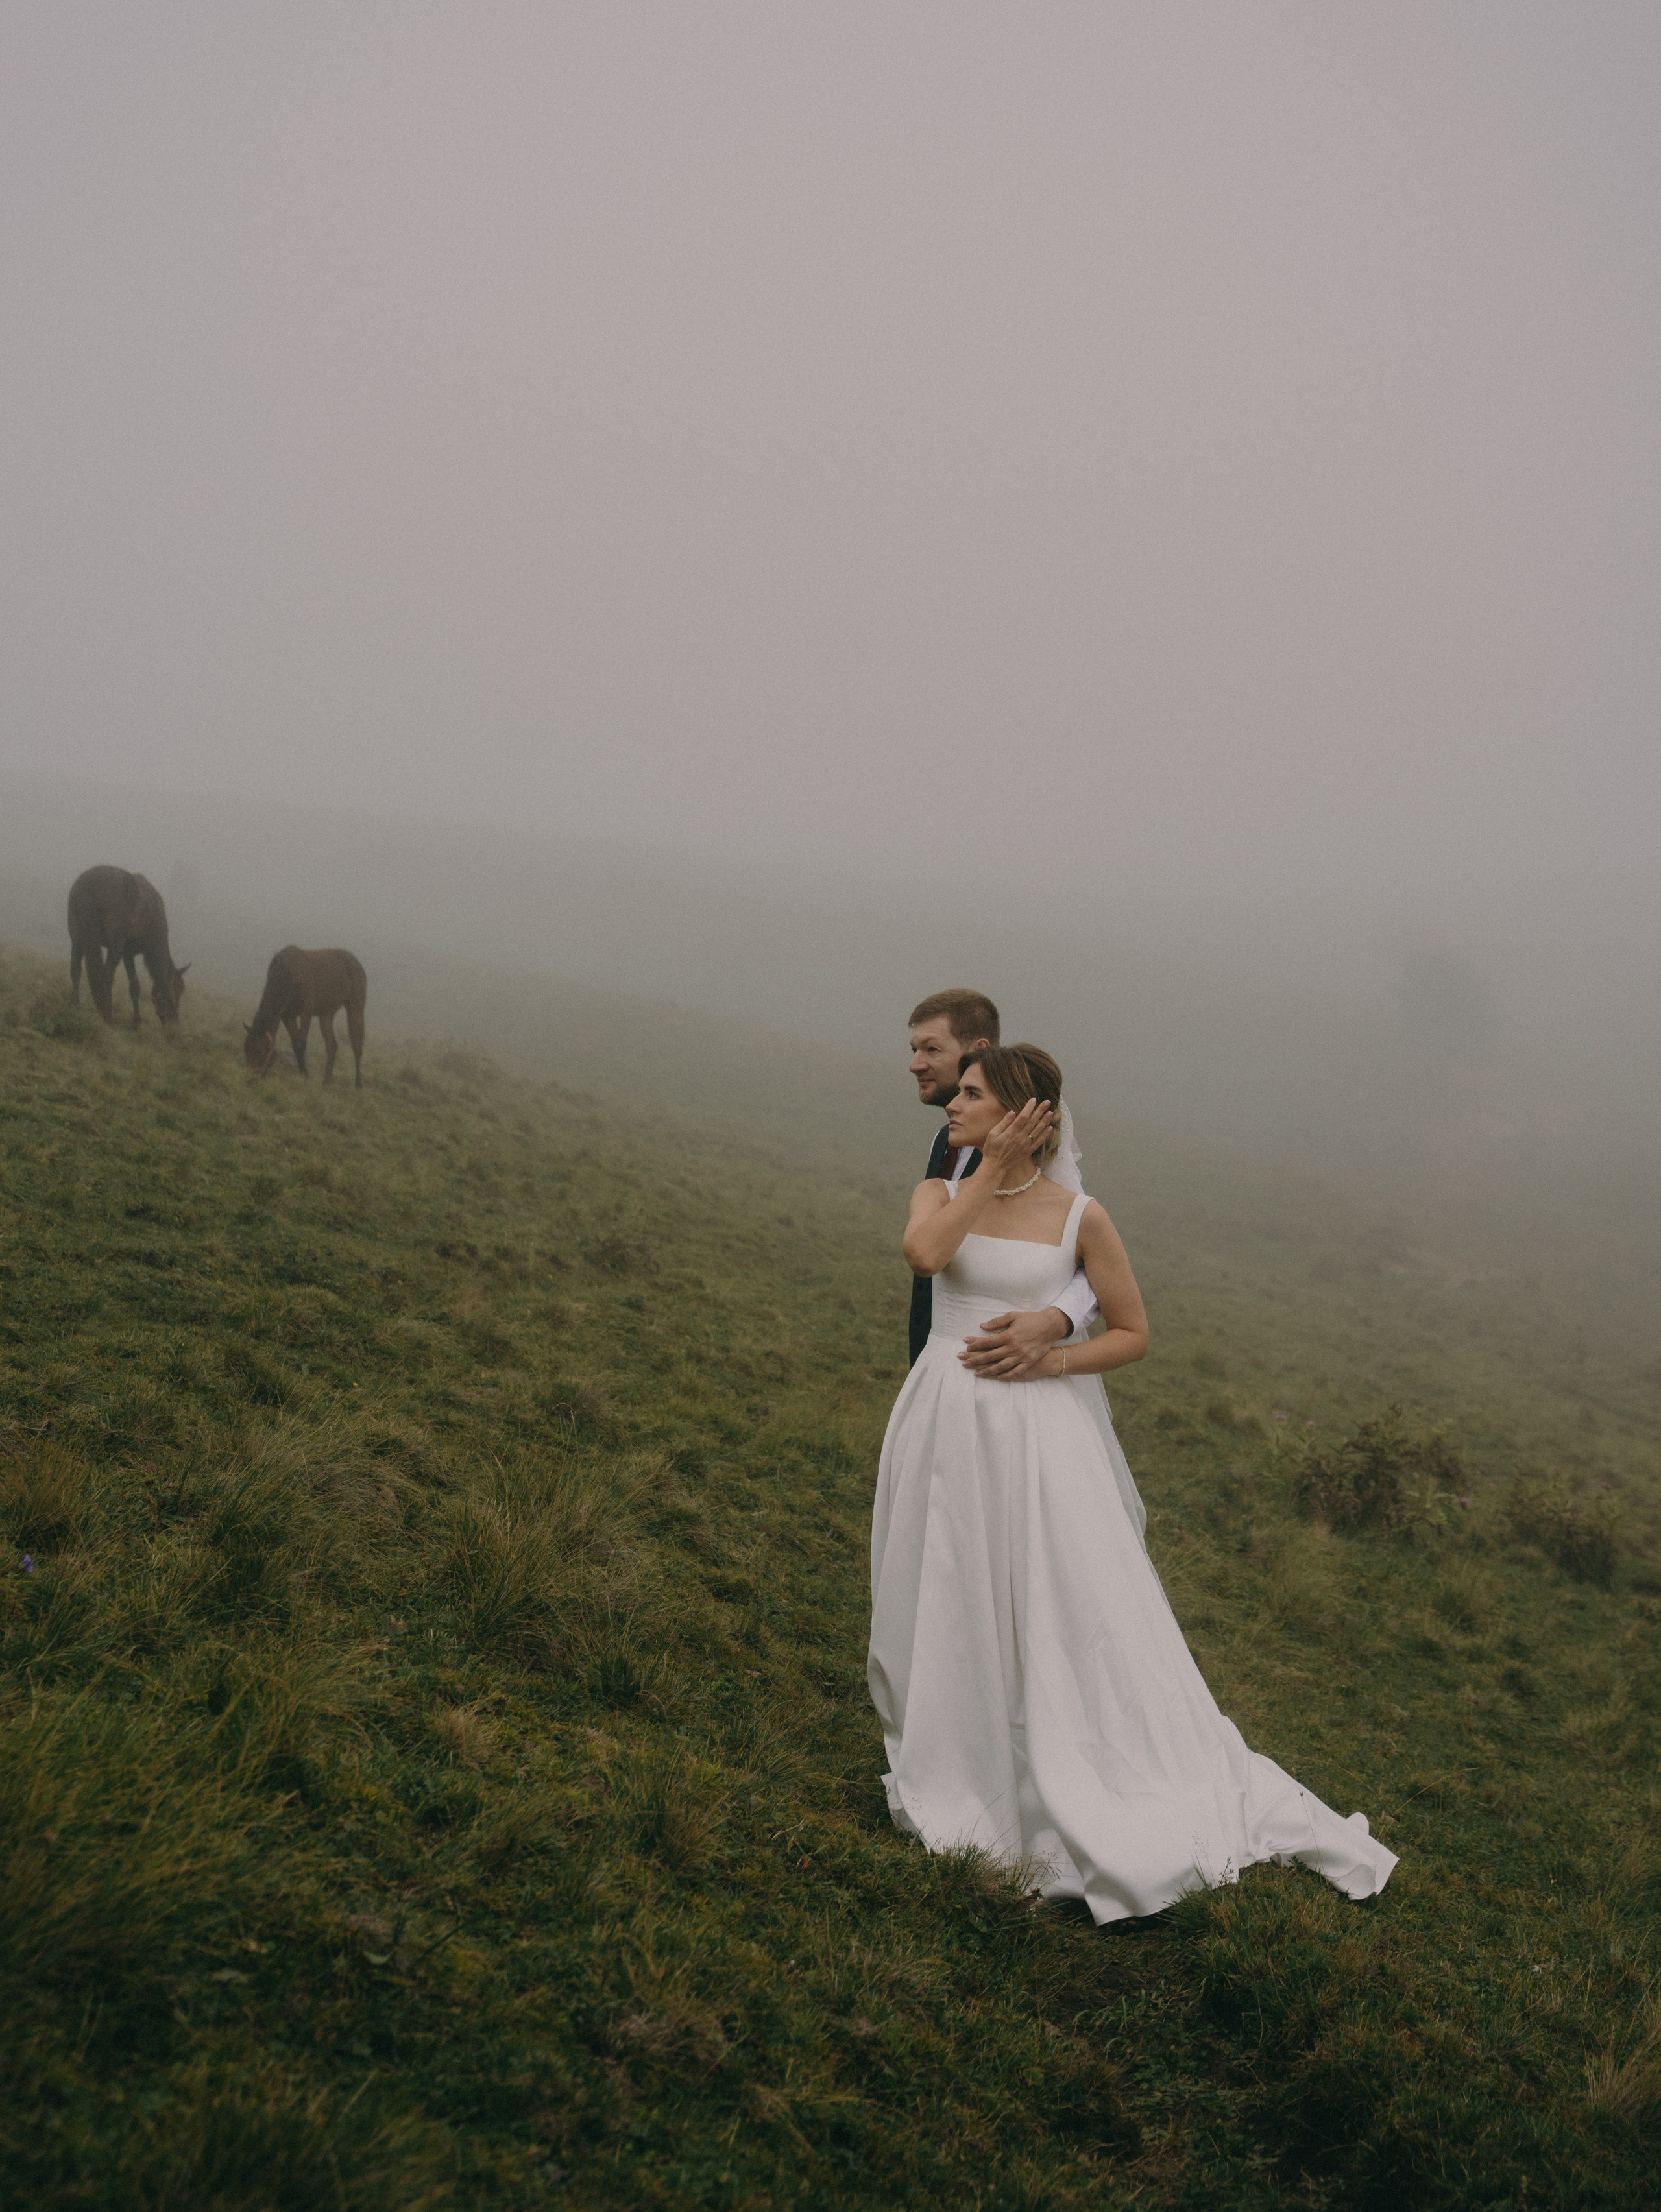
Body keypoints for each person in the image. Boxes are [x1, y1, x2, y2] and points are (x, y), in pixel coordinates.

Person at [869, 1040, 1398, 1924]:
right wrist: (983, 1171)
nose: (949, 1106)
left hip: (1036, 1430)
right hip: (941, 1416)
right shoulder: (937, 1191)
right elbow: (926, 1255)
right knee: (945, 1582)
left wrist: (1053, 1357)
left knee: (1050, 1595)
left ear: (1024, 1115)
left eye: (969, 1094)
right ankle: (957, 1752)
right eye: (953, 1091)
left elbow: (1134, 1332)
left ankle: (1066, 1764)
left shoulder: (1082, 1216)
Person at [905, 991, 1096, 1375]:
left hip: (1008, 1365)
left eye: (932, 1050)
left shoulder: (1033, 1154)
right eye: (914, 1049)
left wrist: (1056, 1321)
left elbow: (1085, 1251)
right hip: (936, 1355)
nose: (915, 1064)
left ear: (978, 1049)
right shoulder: (945, 1140)